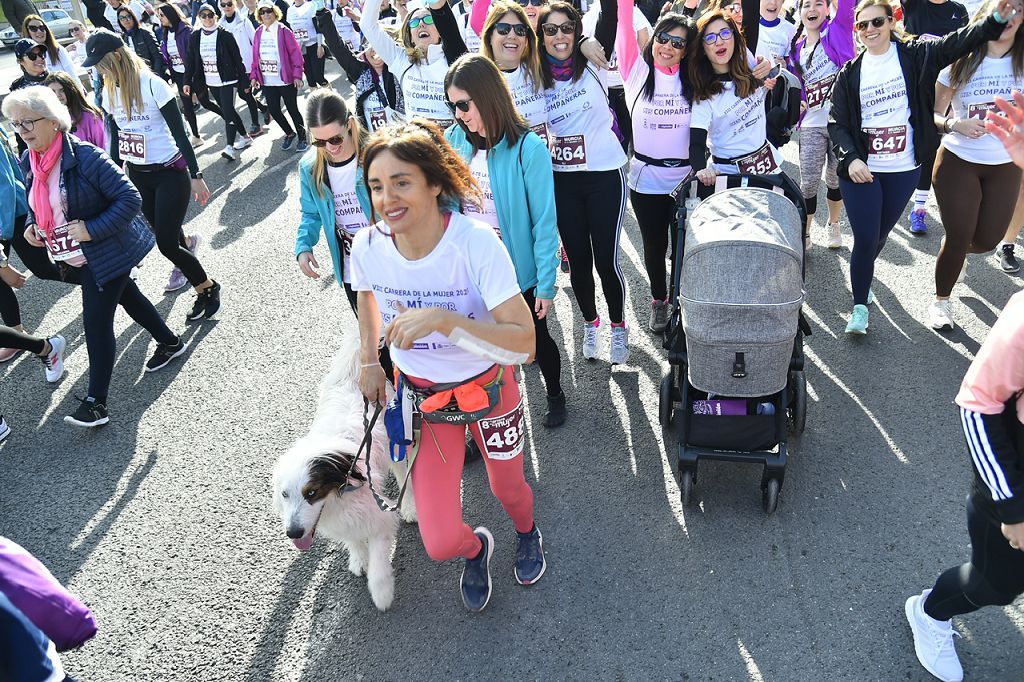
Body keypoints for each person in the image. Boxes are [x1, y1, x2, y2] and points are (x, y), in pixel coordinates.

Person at [353, 119, 545, 613]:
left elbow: (525, 345)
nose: (387, 198)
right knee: (439, 542)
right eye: (376, 186)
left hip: (490, 388)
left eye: (401, 182)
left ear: (435, 184)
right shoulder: (369, 244)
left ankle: (527, 534)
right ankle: (477, 549)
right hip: (425, 401)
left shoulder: (475, 243)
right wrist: (369, 360)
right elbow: (368, 298)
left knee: (510, 489)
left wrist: (446, 322)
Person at [2, 87, 192, 428]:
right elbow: (37, 200)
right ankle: (170, 341)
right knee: (130, 298)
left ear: (53, 120)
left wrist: (92, 227)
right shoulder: (30, 160)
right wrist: (33, 224)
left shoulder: (86, 157)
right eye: (16, 125)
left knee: (96, 321)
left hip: (106, 251)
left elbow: (129, 198)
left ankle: (96, 403)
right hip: (71, 255)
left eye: (28, 122)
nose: (23, 131)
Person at [827, 0, 1013, 335]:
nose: (870, 30)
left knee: (881, 234)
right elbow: (837, 122)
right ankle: (859, 308)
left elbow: (960, 41)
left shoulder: (917, 55)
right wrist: (851, 158)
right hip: (861, 170)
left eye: (877, 22)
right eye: (862, 25)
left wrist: (996, 20)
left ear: (891, 21)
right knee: (867, 237)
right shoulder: (849, 74)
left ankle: (863, 272)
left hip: (903, 168)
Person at [903, 285, 1024, 682]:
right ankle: (931, 611)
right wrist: (1011, 506)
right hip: (1014, 481)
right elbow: (977, 403)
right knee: (997, 583)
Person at [445, 54, 566, 426]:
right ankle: (486, 419)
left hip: (518, 274)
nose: (459, 115)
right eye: (453, 107)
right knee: (479, 349)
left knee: (536, 340)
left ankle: (555, 394)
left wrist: (546, 284)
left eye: (464, 104)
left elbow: (544, 224)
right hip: (470, 271)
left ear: (487, 95)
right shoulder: (454, 140)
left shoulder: (529, 149)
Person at [86, 29, 224, 313]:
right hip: (138, 175)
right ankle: (191, 258)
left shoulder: (152, 84)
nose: (99, 69)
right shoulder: (110, 90)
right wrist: (111, 176)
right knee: (170, 237)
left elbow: (181, 135)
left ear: (114, 57)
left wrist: (196, 175)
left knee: (165, 245)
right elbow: (118, 138)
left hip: (169, 173)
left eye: (101, 62)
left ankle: (208, 287)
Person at [538, 0, 631, 364]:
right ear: (541, 36)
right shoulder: (535, 74)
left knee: (607, 262)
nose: (559, 35)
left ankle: (619, 326)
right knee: (578, 262)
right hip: (563, 181)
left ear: (577, 30)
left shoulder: (593, 60)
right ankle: (590, 324)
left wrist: (584, 43)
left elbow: (610, 11)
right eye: (550, 29)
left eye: (567, 28)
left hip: (605, 176)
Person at [929, 0, 1024, 331]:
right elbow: (932, 115)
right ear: (988, 14)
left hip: (1005, 164)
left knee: (986, 241)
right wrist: (955, 124)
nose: (1011, 16)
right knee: (958, 236)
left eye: (1019, 9)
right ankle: (941, 301)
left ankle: (957, 253)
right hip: (958, 160)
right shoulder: (962, 60)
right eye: (1005, 8)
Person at [296, 88, 396, 378]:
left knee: (409, 335)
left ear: (350, 123)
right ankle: (400, 405)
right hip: (353, 269)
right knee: (377, 344)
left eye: (336, 138)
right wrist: (304, 246)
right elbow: (311, 212)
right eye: (319, 141)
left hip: (392, 258)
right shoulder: (310, 168)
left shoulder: (377, 154)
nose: (329, 147)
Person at [614, 0, 693, 334]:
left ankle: (688, 302)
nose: (668, 47)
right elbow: (622, 18)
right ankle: (659, 301)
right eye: (663, 38)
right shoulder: (636, 71)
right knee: (654, 247)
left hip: (689, 180)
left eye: (678, 43)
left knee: (687, 250)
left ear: (687, 51)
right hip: (647, 181)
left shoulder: (694, 79)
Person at [788, 0, 854, 248]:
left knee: (836, 179)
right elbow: (798, 85)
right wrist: (801, 102)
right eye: (806, 5)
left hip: (840, 121)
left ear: (828, 8)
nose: (812, 9)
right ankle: (806, 231)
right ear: (799, 11)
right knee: (809, 181)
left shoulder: (838, 30)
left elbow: (849, 5)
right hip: (811, 125)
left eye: (818, 3)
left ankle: (834, 224)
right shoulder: (797, 48)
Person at [902, 0, 971, 235]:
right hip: (909, 87)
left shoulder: (958, 11)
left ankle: (919, 208)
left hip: (943, 91)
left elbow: (965, 51)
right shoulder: (914, 4)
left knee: (932, 146)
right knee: (909, 147)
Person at [689, 10, 782, 183]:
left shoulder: (749, 63)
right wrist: (701, 170)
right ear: (703, 48)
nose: (719, 41)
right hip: (728, 174)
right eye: (710, 38)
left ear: (734, 37)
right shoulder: (704, 96)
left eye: (725, 33)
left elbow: (751, 16)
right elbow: (696, 143)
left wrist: (766, 66)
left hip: (767, 166)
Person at [361, 0, 469, 130]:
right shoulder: (401, 61)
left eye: (428, 19)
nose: (421, 24)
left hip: (453, 144)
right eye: (414, 22)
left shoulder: (455, 58)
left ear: (440, 30)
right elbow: (367, 25)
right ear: (410, 36)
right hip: (418, 146)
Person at [315, 8, 406, 131]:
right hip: (373, 142)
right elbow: (338, 47)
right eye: (369, 45)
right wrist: (324, 19)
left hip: (401, 138)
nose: (374, 49)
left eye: (379, 44)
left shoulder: (400, 69)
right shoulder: (360, 71)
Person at [185, 4, 254, 161]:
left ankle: (229, 147)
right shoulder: (196, 37)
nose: (207, 18)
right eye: (204, 16)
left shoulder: (225, 35)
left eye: (210, 15)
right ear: (199, 18)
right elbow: (190, 60)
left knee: (228, 112)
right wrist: (186, 81)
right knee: (227, 109)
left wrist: (244, 81)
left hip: (228, 80)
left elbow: (238, 60)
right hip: (211, 81)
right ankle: (245, 136)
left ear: (215, 16)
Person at [159, 2, 225, 147]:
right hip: (179, 75)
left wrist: (195, 74)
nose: (160, 18)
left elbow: (195, 54)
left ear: (170, 15)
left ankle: (228, 118)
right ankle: (196, 137)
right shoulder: (164, 32)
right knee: (187, 107)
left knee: (205, 102)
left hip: (193, 74)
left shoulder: (186, 30)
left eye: (162, 15)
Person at [251, 0, 309, 151]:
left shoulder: (284, 30)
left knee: (292, 109)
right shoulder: (258, 32)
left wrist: (297, 75)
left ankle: (303, 138)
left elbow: (296, 54)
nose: (265, 14)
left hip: (286, 79)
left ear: (275, 12)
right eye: (262, 12)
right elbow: (255, 57)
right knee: (274, 110)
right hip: (268, 81)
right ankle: (290, 133)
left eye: (268, 11)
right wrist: (254, 76)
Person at [220, 0, 269, 138]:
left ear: (234, 4)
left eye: (229, 4)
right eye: (223, 5)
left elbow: (255, 41)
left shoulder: (244, 21)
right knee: (243, 94)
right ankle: (264, 109)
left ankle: (256, 125)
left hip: (246, 64)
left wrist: (257, 62)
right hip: (231, 66)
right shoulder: (220, 25)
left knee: (246, 93)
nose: (227, 7)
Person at [44, 72, 108, 150]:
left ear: (71, 90)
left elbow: (103, 146)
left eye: (62, 90)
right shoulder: (46, 120)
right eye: (53, 91)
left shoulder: (90, 117)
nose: (58, 95)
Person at [116, 5, 168, 77]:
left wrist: (156, 75)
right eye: (121, 18)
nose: (125, 20)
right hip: (135, 77)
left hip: (151, 75)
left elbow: (158, 56)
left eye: (128, 16)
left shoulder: (145, 33)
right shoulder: (122, 39)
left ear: (133, 17)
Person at [21, 14, 78, 78]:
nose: (39, 31)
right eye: (33, 28)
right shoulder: (25, 55)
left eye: (42, 27)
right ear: (27, 31)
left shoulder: (57, 49)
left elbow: (72, 75)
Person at [289, 0, 329, 87]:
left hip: (314, 45)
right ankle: (315, 100)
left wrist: (320, 45)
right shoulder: (290, 11)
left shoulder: (310, 6)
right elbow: (291, 32)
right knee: (310, 79)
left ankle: (331, 98)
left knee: (319, 77)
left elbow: (318, 27)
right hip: (301, 49)